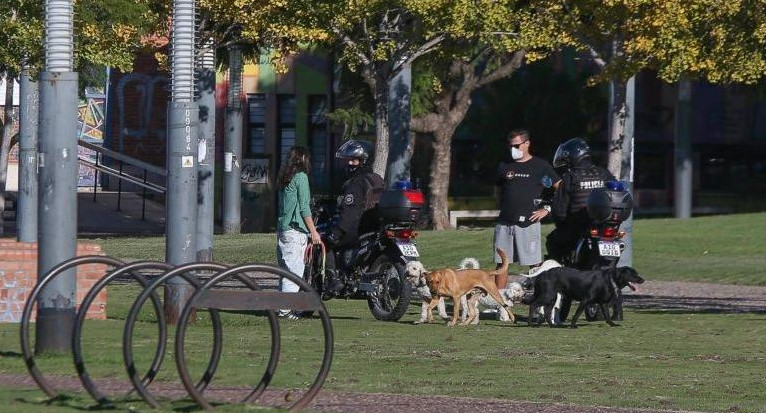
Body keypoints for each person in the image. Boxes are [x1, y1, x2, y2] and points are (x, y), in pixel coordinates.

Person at [493, 129, 560, 290]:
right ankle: (499, 302)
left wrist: (547, 209)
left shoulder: (541, 166)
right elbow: (497, 189)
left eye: (516, 145)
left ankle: (539, 300)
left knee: (534, 263)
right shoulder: (505, 165)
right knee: (502, 263)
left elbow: (560, 188)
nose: (513, 149)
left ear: (527, 143)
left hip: (528, 223)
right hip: (505, 222)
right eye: (510, 146)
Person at [323, 139, 384, 295]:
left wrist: (336, 232)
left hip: (356, 230)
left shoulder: (356, 183)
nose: (349, 163)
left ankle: (334, 280)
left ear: (364, 160)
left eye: (354, 160)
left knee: (325, 242)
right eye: (349, 159)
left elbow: (349, 214)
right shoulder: (376, 178)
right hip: (373, 228)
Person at [545, 137, 616, 264]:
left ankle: (558, 273)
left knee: (552, 240)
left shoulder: (571, 177)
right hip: (604, 225)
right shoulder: (604, 173)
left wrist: (559, 221)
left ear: (574, 155)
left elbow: (560, 211)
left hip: (578, 226)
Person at [276, 146, 322, 319]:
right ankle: (285, 310)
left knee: (284, 271)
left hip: (283, 229)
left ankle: (280, 306)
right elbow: (304, 208)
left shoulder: (285, 178)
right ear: (303, 158)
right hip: (295, 231)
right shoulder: (301, 177)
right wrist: (314, 232)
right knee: (294, 272)